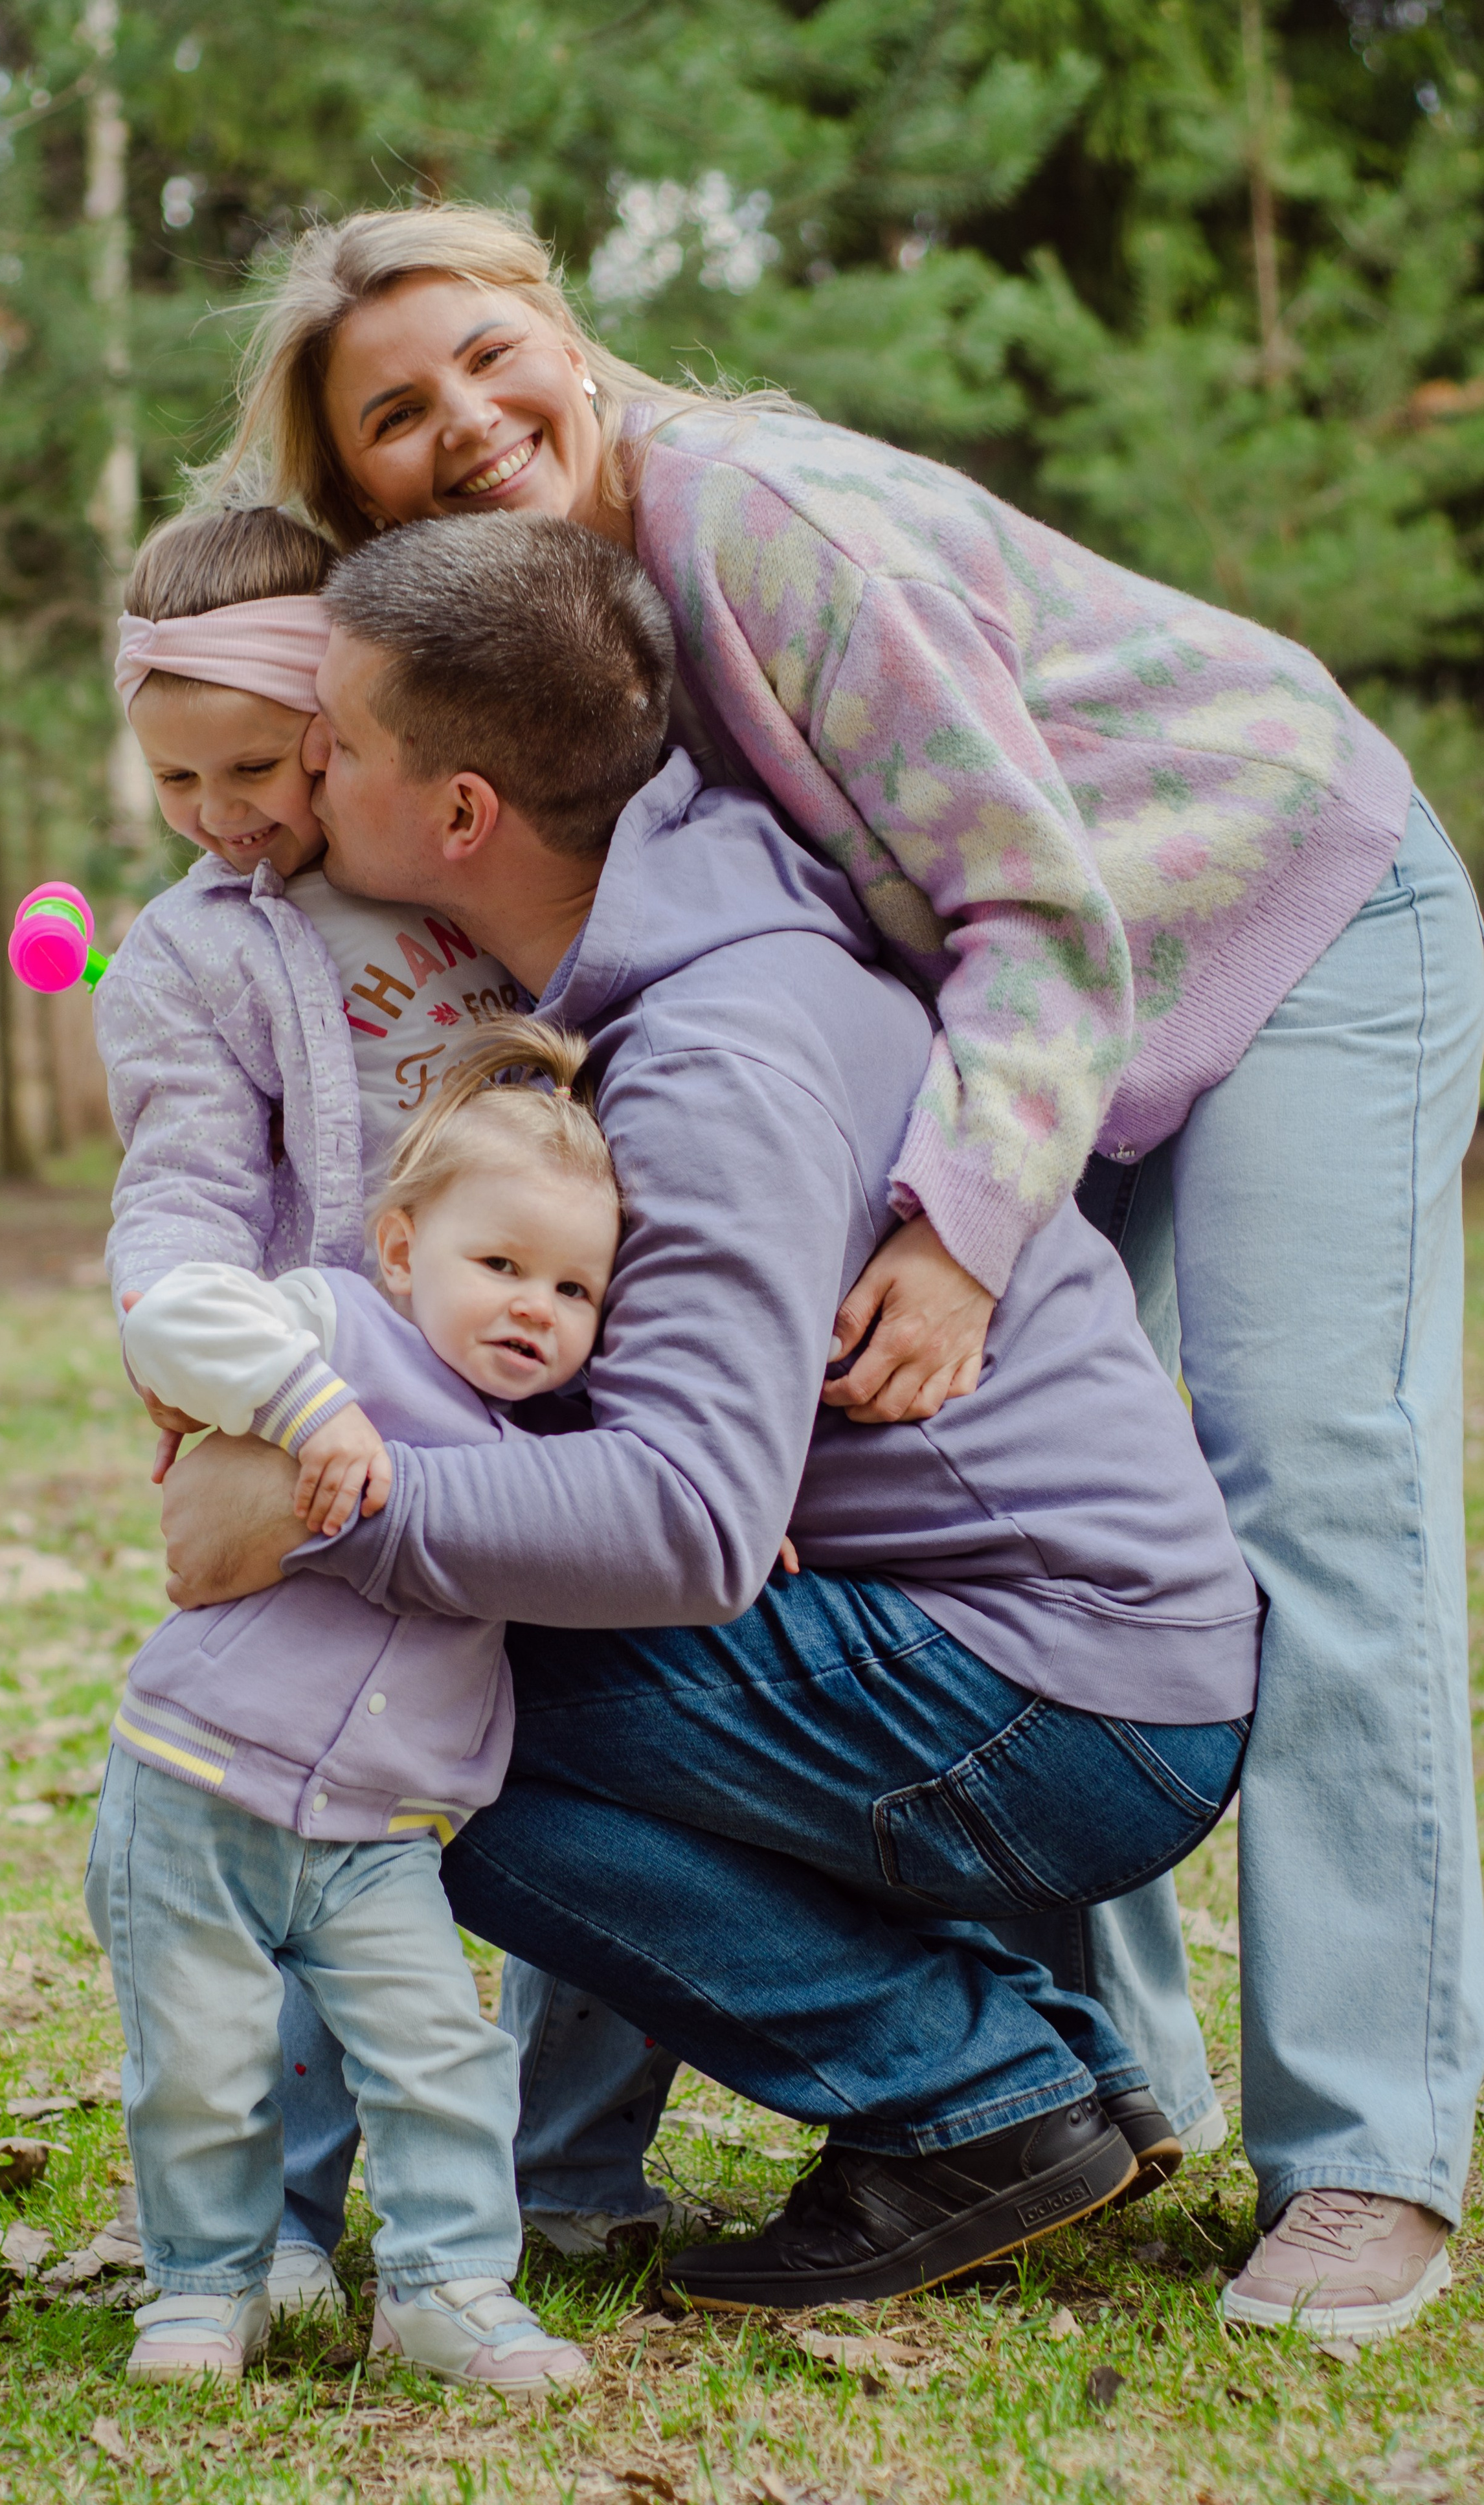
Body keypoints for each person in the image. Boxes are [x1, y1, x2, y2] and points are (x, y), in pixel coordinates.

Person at [202, 201, 1484, 2335]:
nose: (467, 420)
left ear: (569, 340)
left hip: (1266, 902)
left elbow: (1035, 906)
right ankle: (1098, 2083)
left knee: (1306, 1482)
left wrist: (968, 1228)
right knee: (989, 1504)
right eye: (396, 413)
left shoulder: (757, 526)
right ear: (362, 490)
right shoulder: (527, 645)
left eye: (490, 353)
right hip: (1019, 1012)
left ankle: (1370, 2154)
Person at [158, 511, 1267, 2312]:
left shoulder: (707, 1061)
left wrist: (328, 1510)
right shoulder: (697, 945)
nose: (302, 770)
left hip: (1062, 1698)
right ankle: (1035, 2063)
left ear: (461, 813)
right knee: (472, 1708)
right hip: (1035, 1657)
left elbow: (684, 1521)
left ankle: (971, 2094)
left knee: (421, 1707)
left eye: (336, 740)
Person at [99, 500, 521, 2315]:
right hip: (330, 1418)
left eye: (253, 767)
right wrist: (211, 1354)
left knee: (530, 1772)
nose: (216, 813)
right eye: (173, 779)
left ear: (337, 725)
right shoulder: (188, 954)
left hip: (529, 1399)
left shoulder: (471, 867)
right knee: (305, 1798)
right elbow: (183, 1189)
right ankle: (273, 2219)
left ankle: (565, 2172)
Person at [94, 1018, 619, 2392]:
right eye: (499, 1265)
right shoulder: (335, 1324)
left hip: (382, 1832)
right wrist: (306, 1407)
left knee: (442, 2054)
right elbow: (173, 1316)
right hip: (199, 1786)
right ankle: (205, 2286)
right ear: (401, 1250)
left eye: (572, 1288)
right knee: (205, 2063)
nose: (534, 1307)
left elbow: (652, 1522)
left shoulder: (547, 1450)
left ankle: (449, 2287)